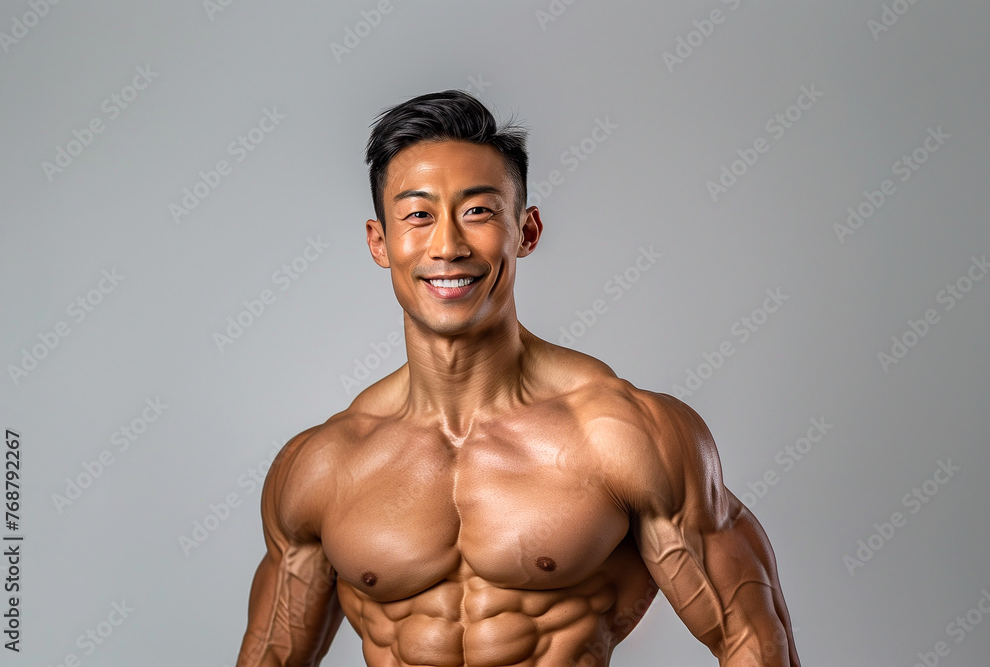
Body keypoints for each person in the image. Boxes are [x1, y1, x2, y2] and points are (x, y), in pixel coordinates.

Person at [236, 90, 800, 666]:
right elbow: (271, 657)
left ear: (526, 232)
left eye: (478, 211)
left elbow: (752, 639)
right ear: (380, 242)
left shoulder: (624, 436)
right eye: (418, 215)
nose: (448, 245)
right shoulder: (322, 465)